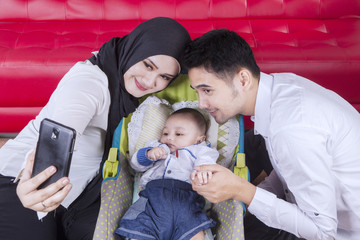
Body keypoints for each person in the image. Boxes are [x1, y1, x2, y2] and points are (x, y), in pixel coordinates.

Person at [0, 17, 191, 240]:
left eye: (164, 77)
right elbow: (59, 135)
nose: (150, 82)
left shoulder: (136, 93)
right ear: (135, 49)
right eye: (148, 65)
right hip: (25, 182)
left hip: (80, 195)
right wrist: (30, 184)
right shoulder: (90, 82)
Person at [183, 28, 360, 240]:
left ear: (243, 79)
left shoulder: (290, 128)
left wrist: (243, 191)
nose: (201, 103)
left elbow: (324, 233)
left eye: (207, 90)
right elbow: (290, 167)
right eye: (197, 91)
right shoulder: (280, 87)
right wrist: (250, 195)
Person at [116, 108, 218, 240]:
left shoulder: (201, 151)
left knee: (194, 230)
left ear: (199, 140)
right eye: (165, 133)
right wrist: (148, 154)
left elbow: (208, 161)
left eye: (179, 134)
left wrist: (203, 171)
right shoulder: (156, 147)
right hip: (153, 202)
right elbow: (135, 165)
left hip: (187, 203)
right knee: (140, 228)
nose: (169, 137)